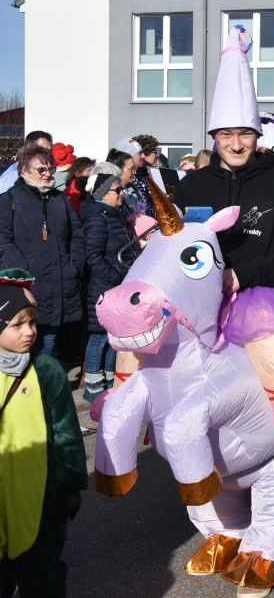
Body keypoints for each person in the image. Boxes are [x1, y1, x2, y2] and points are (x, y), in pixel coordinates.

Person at [174, 25, 274, 446]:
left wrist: (245, 274)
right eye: (226, 134)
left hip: (263, 298)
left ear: (258, 135)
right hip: (201, 300)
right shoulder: (193, 184)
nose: (236, 144)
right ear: (214, 136)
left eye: (244, 134)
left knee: (270, 356)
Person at [0, 269, 88, 598]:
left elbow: (66, 430)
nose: (29, 332)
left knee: (42, 573)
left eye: (33, 322)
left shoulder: (46, 370)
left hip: (37, 497)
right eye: (17, 324)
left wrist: (70, 485)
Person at [0, 144, 84, 359]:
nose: (48, 174)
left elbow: (76, 234)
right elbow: (3, 240)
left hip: (60, 281)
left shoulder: (59, 198)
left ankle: (46, 387)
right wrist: (23, 270)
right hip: (27, 284)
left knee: (49, 339)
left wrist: (73, 265)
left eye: (51, 169)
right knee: (24, 342)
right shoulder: (8, 200)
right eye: (42, 170)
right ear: (24, 170)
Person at [77, 169, 134, 402]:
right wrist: (116, 277)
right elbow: (94, 256)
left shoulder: (114, 214)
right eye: (117, 190)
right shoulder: (97, 217)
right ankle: (93, 387)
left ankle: (110, 382)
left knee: (114, 336)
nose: (122, 193)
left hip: (117, 284)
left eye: (122, 189)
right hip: (103, 286)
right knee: (99, 336)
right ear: (103, 193)